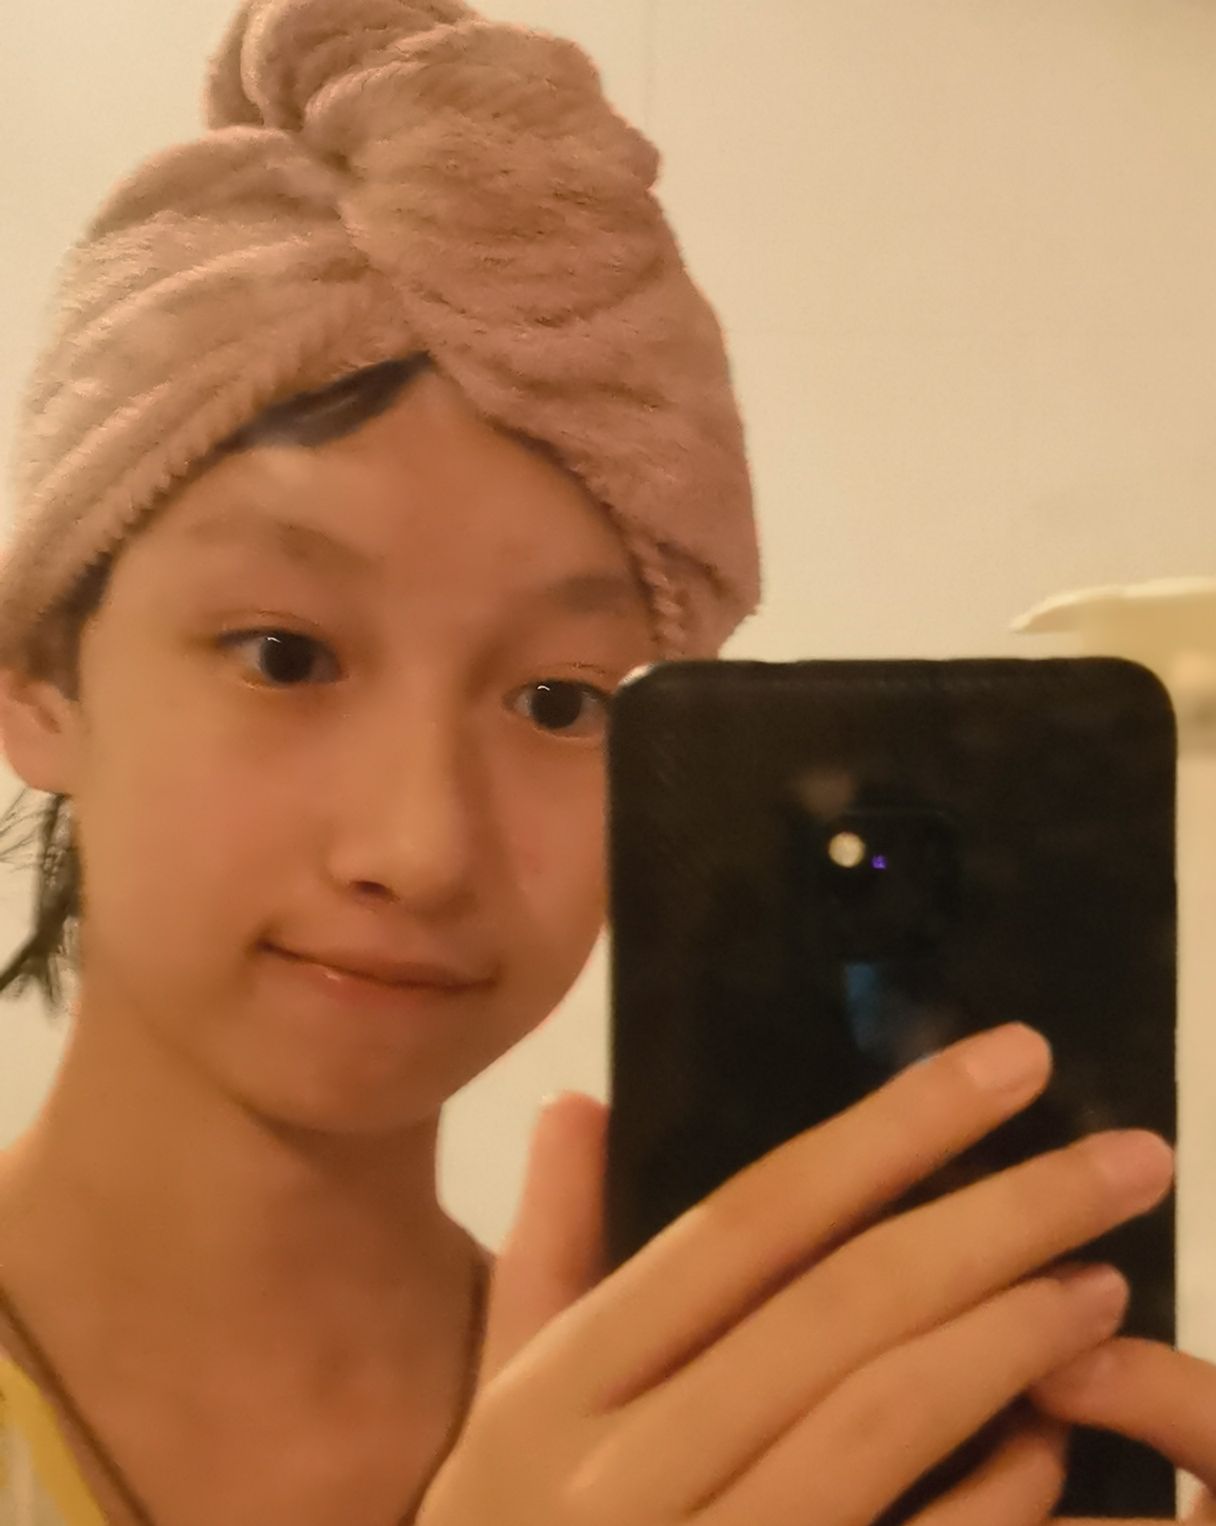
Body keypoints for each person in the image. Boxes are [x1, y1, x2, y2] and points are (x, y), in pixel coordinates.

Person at [0, 1, 1209, 1523]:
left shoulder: (748, 1461)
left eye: (561, 702)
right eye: (286, 655)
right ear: (37, 676)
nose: (420, 847)